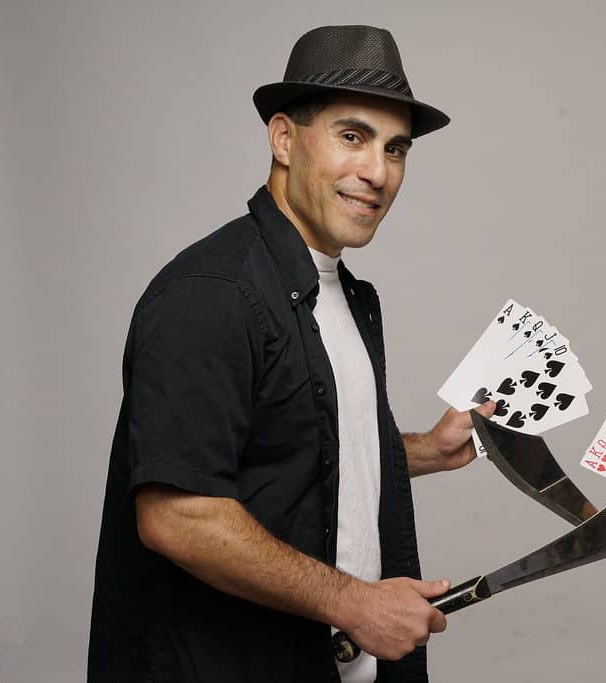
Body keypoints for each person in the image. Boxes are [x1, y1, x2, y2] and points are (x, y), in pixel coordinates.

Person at [88, 25, 495, 683]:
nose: (378, 172)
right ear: (283, 138)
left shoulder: (348, 296)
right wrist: (356, 602)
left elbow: (292, 450)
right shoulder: (210, 295)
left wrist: (420, 449)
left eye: (396, 149)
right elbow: (176, 514)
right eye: (352, 137)